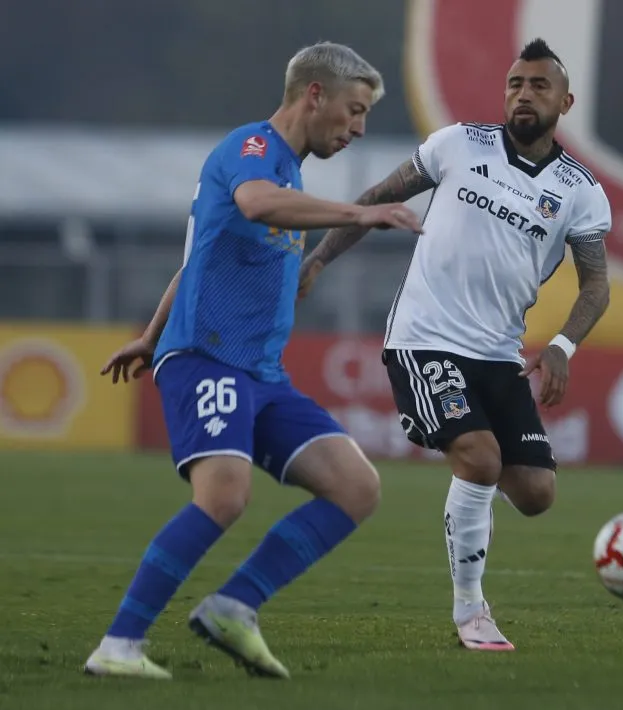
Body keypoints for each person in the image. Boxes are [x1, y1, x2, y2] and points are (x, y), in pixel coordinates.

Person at [83, 42, 422, 680]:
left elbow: (198, 254)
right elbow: (255, 206)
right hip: (209, 360)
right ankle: (118, 645)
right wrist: (362, 213)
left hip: (261, 374)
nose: (358, 129)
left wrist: (149, 335)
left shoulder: (289, 175)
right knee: (225, 497)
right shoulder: (254, 150)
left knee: (356, 487)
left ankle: (234, 606)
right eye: (353, 111)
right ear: (313, 95)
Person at [299, 38, 613, 649]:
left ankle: (457, 461)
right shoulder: (458, 144)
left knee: (536, 494)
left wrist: (562, 347)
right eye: (515, 84)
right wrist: (318, 259)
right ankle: (471, 611)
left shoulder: (579, 190)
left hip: (498, 350)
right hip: (424, 337)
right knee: (479, 457)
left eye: (539, 86)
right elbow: (378, 198)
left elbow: (596, 285)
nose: (524, 94)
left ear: (565, 101)